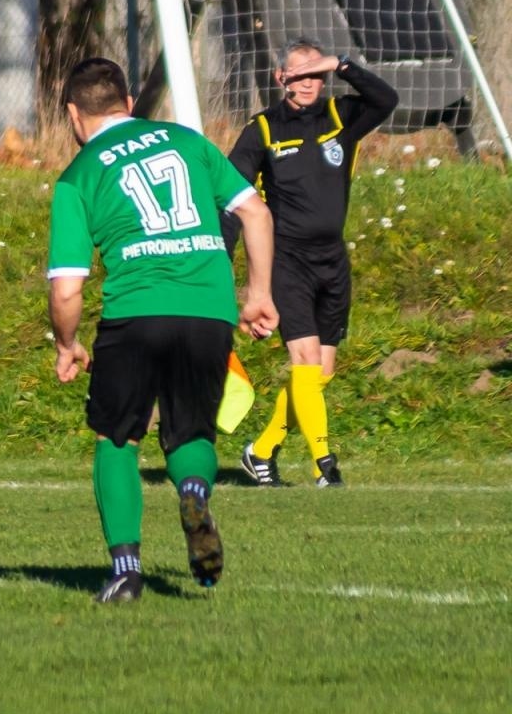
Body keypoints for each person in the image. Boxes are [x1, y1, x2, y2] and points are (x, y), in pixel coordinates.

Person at [47, 58, 277, 604]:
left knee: (117, 437)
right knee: (191, 430)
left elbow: (66, 290)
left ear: (74, 115)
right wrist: (259, 294)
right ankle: (194, 491)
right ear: (129, 105)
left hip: (137, 312)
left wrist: (67, 343)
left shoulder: (78, 176)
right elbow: (257, 215)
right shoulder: (187, 141)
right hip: (209, 310)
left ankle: (126, 572)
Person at [229, 39, 398, 489]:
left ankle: (261, 451)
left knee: (320, 372)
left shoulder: (341, 116)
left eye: (316, 75)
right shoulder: (262, 130)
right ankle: (326, 465)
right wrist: (223, 266)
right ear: (279, 77)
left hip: (333, 262)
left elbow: (387, 99)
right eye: (299, 74)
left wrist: (343, 64)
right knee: (303, 360)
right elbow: (231, 200)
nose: (309, 84)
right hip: (288, 263)